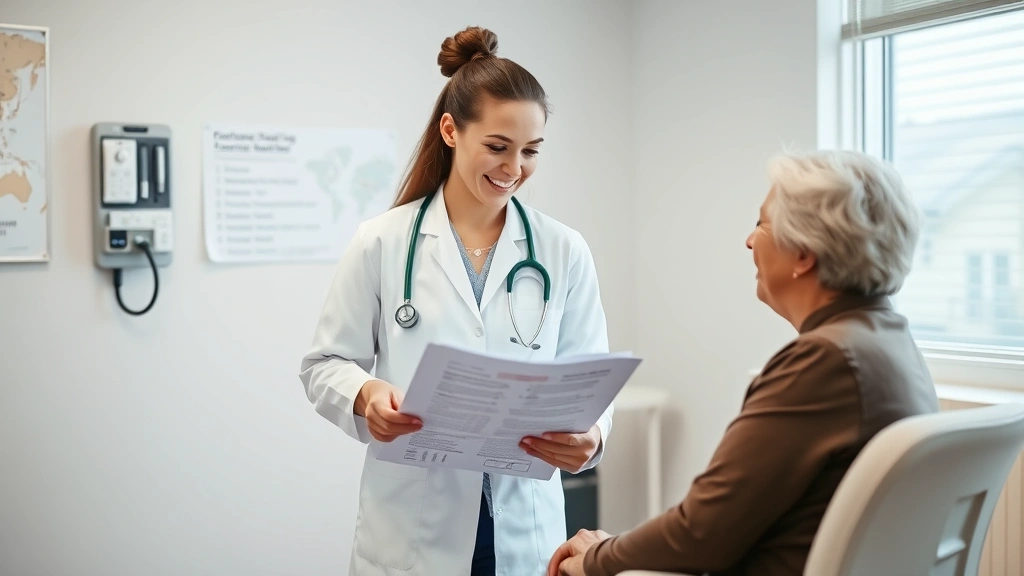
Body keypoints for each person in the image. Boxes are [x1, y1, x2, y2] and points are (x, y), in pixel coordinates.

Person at [298, 26, 614, 576]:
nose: (514, 169)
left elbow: (590, 375)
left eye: (530, 151)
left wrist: (594, 434)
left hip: (525, 526)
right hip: (412, 529)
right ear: (450, 129)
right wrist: (366, 393)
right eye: (497, 147)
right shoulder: (382, 241)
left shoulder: (563, 250)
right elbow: (324, 365)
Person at [547, 149, 941, 576]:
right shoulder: (891, 344)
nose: (749, 241)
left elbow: (698, 535)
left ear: (804, 252)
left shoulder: (825, 362)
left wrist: (597, 559)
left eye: (761, 224)